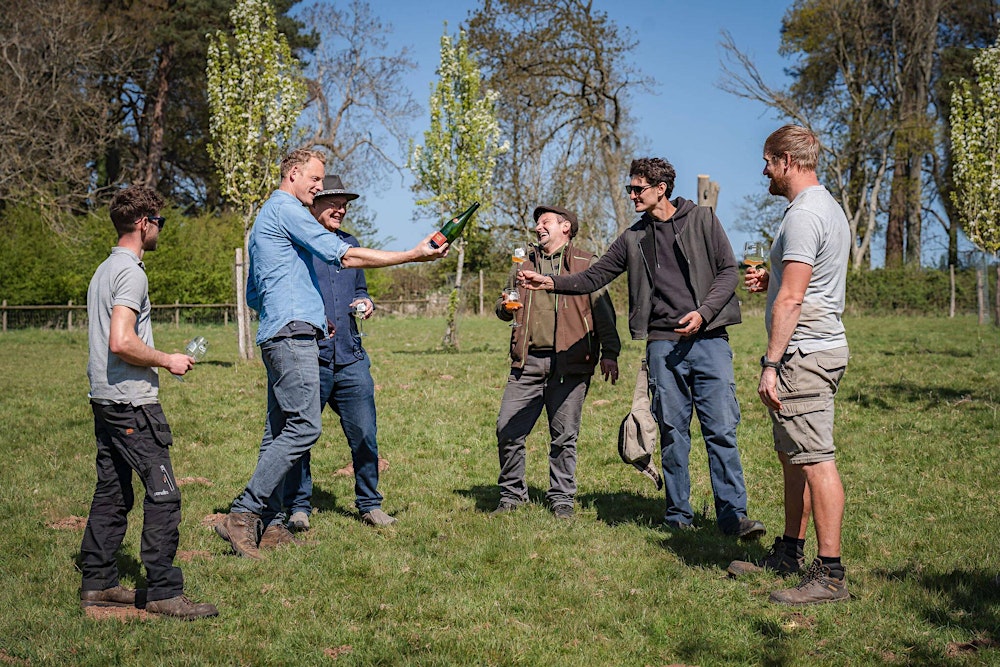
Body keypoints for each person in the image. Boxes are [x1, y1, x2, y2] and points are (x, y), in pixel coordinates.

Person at [216, 149, 447, 560]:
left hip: (278, 332)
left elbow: (253, 292)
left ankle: (268, 524)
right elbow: (346, 255)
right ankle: (243, 513)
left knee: (278, 431)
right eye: (317, 180)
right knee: (305, 428)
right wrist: (414, 254)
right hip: (293, 335)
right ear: (293, 174)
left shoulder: (268, 220)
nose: (321, 188)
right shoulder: (287, 211)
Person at [519, 158, 766, 539]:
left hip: (710, 341)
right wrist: (550, 283)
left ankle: (733, 516)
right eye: (630, 188)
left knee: (720, 430)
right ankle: (678, 516)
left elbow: (727, 272)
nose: (631, 194)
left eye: (638, 189)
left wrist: (703, 312)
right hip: (663, 347)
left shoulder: (703, 220)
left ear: (660, 188)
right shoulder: (634, 237)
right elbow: (594, 275)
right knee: (671, 432)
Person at [727, 125, 851, 605]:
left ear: (786, 160)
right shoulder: (824, 207)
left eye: (766, 161)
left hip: (803, 353)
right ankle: (788, 552)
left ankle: (831, 575)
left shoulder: (804, 215)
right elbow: (797, 282)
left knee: (816, 459)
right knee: (794, 454)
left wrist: (771, 363)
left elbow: (795, 300)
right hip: (812, 346)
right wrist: (772, 279)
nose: (763, 171)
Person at [80, 185, 217, 620]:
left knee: (113, 492)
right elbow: (121, 341)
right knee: (164, 494)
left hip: (105, 399)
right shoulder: (132, 273)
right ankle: (162, 590)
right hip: (131, 404)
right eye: (158, 221)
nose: (160, 228)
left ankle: (98, 583)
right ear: (143, 224)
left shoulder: (104, 269)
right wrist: (167, 359)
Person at [280, 175, 395, 529]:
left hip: (351, 357)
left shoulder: (351, 244)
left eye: (344, 204)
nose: (341, 209)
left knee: (365, 434)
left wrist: (365, 301)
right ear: (312, 204)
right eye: (333, 203)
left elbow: (360, 288)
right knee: (301, 435)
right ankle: (299, 506)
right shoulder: (297, 248)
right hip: (309, 358)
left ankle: (369, 503)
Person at [493, 205, 621, 519]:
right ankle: (512, 496)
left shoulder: (585, 263)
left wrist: (611, 354)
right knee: (507, 429)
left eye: (545, 222)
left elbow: (603, 311)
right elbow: (504, 299)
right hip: (528, 361)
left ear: (565, 226)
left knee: (564, 437)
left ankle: (561, 499)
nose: (539, 227)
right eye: (537, 223)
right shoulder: (523, 262)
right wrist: (505, 307)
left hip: (572, 362)